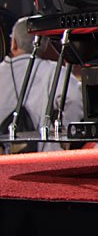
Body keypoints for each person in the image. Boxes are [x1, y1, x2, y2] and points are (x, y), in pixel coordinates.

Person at [0, 16, 83, 152]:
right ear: (44, 45)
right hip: (44, 155)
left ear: (13, 43)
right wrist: (66, 133)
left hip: (4, 157)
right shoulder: (53, 71)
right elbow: (75, 98)